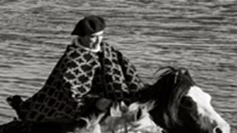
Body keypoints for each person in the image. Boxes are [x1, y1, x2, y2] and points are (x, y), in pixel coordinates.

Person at [8, 14, 143, 125]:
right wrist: (94, 102)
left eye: (100, 36)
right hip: (87, 103)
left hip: (114, 100)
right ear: (82, 37)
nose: (97, 41)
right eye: (93, 37)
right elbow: (69, 90)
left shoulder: (110, 52)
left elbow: (130, 74)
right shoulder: (73, 59)